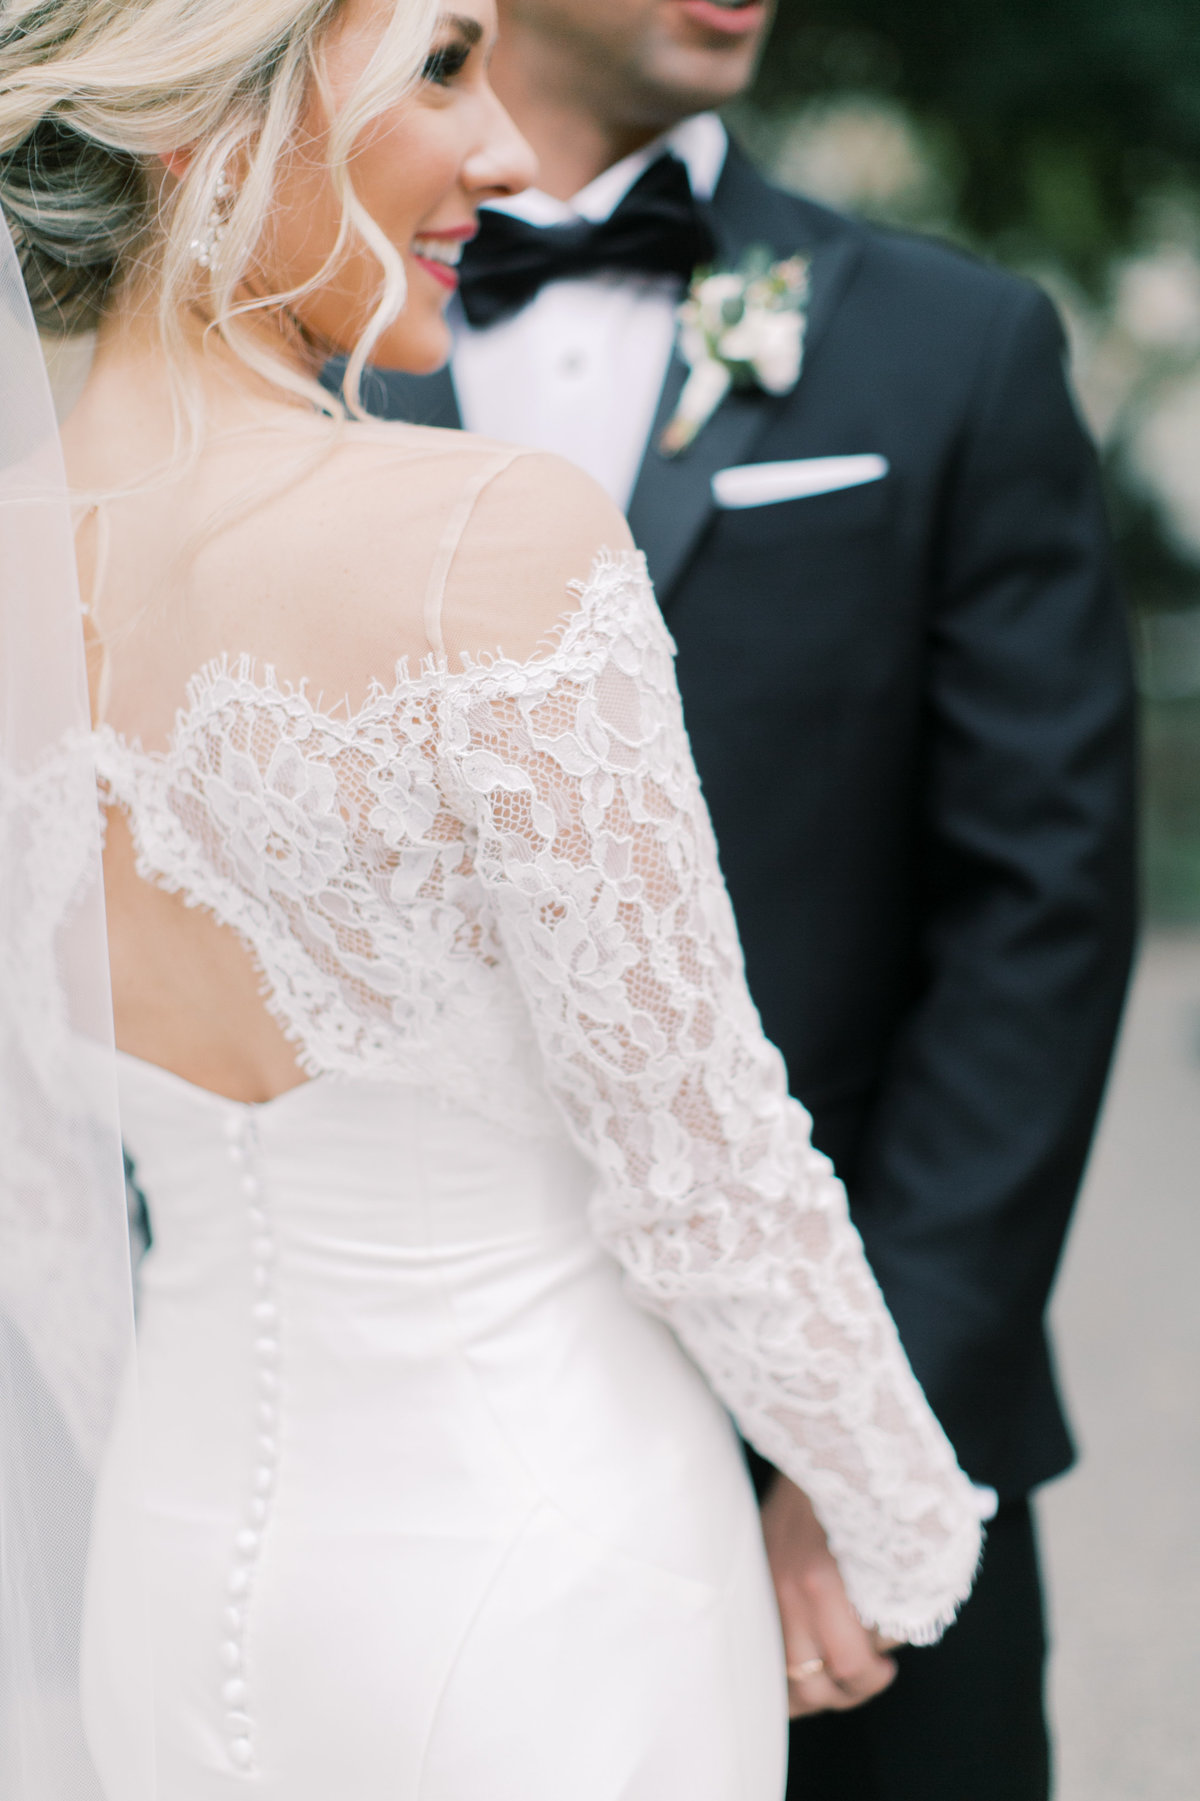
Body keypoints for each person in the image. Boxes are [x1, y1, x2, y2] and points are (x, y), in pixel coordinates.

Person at [0, 1, 985, 1797]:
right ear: (214, 105)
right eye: (444, 64)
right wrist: (899, 1516)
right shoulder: (490, 539)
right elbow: (700, 1159)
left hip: (170, 1565)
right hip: (542, 1584)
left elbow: (42, 1224)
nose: (509, 149)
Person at [361, 1, 1139, 1795]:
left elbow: (1038, 923)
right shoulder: (278, 356)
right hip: (413, 1433)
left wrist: (861, 1439)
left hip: (851, 1448)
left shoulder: (956, 347)